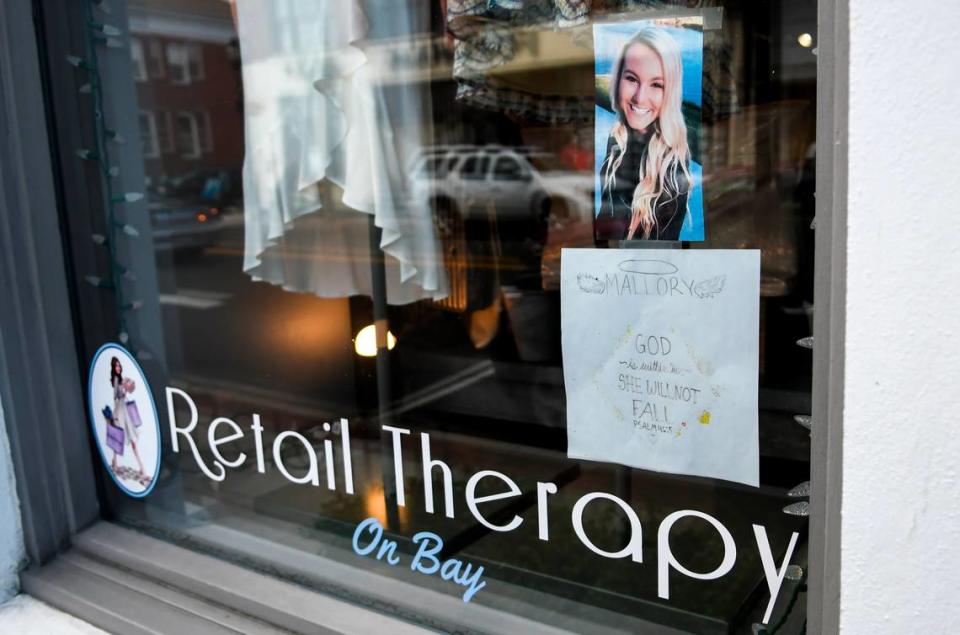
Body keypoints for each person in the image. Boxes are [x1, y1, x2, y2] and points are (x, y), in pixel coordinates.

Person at [597, 27, 693, 241]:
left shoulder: (673, 162)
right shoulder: (618, 137)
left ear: (671, 91)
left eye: (656, 84)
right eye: (631, 79)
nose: (640, 98)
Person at [109, 356, 145, 477]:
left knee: (132, 438)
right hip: (120, 410)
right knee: (118, 436)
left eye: (119, 365)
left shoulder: (122, 379)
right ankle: (115, 462)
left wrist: (129, 384)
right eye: (116, 366)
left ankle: (141, 466)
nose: (118, 367)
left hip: (125, 410)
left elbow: (130, 391)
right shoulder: (116, 380)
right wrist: (115, 416)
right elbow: (115, 398)